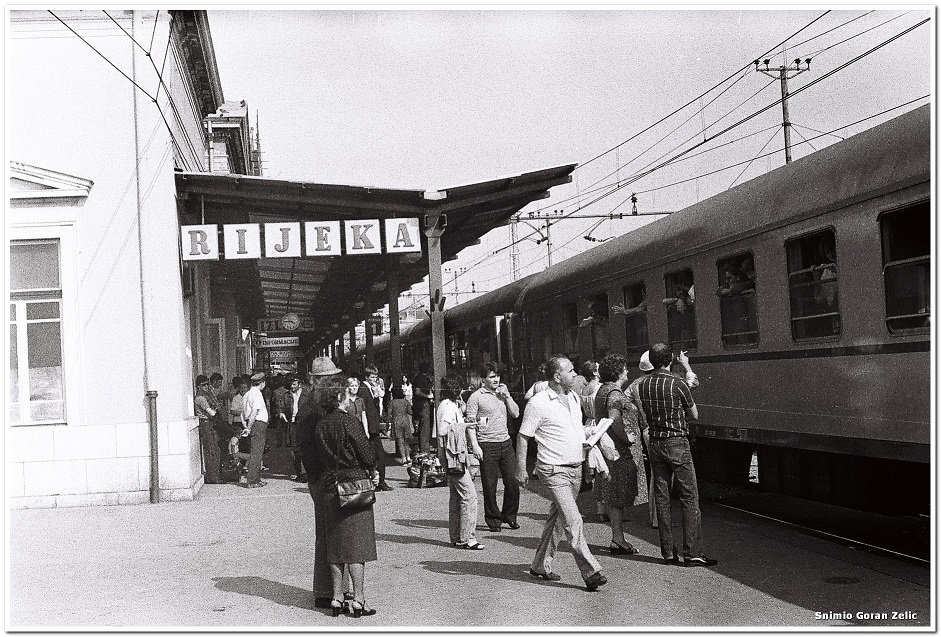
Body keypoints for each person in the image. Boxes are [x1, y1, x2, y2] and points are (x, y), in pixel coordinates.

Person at [515, 356, 608, 591]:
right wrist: (520, 468)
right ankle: (591, 571)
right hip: (553, 470)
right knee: (573, 519)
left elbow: (574, 428)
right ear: (557, 377)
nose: (576, 374)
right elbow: (523, 436)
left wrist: (593, 431)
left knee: (557, 519)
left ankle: (539, 565)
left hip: (576, 468)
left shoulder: (574, 397)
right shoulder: (538, 403)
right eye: (571, 371)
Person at [638, 343, 718, 568]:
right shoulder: (678, 383)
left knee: (662, 499)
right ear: (670, 359)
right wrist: (687, 366)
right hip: (677, 443)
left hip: (655, 443)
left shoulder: (643, 385)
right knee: (689, 497)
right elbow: (694, 414)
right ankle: (692, 553)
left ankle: (667, 553)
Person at [312, 375, 379, 618]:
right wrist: (372, 470)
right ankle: (359, 599)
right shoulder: (350, 422)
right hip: (354, 486)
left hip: (330, 486)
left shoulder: (321, 425)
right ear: (340, 397)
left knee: (335, 545)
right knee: (357, 547)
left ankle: (337, 597)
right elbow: (367, 454)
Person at [295, 356, 354, 610]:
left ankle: (336, 588)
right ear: (317, 380)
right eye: (328, 379)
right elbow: (304, 447)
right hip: (323, 477)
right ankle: (325, 590)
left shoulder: (317, 405)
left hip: (325, 476)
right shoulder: (312, 408)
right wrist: (319, 473)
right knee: (327, 532)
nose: (332, 383)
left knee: (334, 531)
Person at [594, 354, 647, 555]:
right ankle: (618, 539)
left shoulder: (603, 390)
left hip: (608, 449)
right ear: (617, 372)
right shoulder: (615, 393)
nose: (627, 371)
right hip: (617, 450)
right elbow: (614, 420)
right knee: (617, 496)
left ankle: (618, 537)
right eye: (624, 368)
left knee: (613, 494)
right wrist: (627, 439)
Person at [465, 362, 520, 533]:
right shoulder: (476, 397)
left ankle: (509, 515)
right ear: (483, 379)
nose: (496, 379)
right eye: (492, 377)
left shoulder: (502, 394)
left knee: (512, 481)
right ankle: (493, 519)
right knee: (490, 485)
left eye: (497, 376)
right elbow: (470, 423)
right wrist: (475, 445)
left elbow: (516, 413)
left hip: (505, 443)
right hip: (487, 445)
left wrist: (508, 396)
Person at [437, 371, 484, 550]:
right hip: (454, 456)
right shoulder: (449, 407)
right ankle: (468, 538)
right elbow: (443, 430)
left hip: (448, 456)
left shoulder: (445, 404)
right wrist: (465, 425)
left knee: (456, 497)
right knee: (470, 496)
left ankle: (456, 536)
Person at [358, 367, 393, 492]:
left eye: (376, 377)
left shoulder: (370, 389)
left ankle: (378, 481)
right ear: (366, 377)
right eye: (372, 377)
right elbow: (364, 410)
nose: (375, 380)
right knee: (377, 455)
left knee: (376, 456)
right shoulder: (363, 389)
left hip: (374, 426)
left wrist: (377, 396)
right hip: (370, 428)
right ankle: (379, 481)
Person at [242, 371, 270, 488]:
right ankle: (252, 480)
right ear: (262, 383)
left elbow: (243, 414)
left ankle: (256, 479)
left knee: (256, 452)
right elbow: (254, 412)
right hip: (258, 424)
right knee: (256, 453)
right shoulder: (257, 394)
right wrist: (248, 428)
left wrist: (246, 426)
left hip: (252, 424)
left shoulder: (247, 394)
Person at [193, 374, 222, 484]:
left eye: (207, 384)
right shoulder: (201, 398)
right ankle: (213, 477)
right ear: (199, 386)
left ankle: (215, 475)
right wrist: (215, 409)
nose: (206, 386)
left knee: (215, 449)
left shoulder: (205, 396)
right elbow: (212, 413)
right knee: (211, 451)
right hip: (206, 423)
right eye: (204, 385)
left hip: (208, 423)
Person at [288, 375, 311, 482]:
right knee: (294, 449)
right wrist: (281, 412)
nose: (292, 386)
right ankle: (299, 472)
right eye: (291, 384)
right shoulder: (287, 395)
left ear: (299, 384)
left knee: (305, 447)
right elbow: (281, 407)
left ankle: (305, 472)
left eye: (294, 384)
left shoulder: (307, 394)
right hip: (292, 424)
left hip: (304, 423)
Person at [412, 362, 434, 453]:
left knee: (423, 425)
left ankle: (424, 447)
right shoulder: (423, 379)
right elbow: (417, 391)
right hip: (423, 404)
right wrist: (428, 396)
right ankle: (425, 449)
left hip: (418, 403)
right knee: (425, 426)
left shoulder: (416, 378)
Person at [389, 385, 413, 465]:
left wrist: (387, 424)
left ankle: (403, 459)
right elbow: (410, 412)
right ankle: (408, 457)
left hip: (396, 421)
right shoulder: (405, 401)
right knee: (406, 441)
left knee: (400, 441)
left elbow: (389, 414)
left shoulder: (392, 402)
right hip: (405, 420)